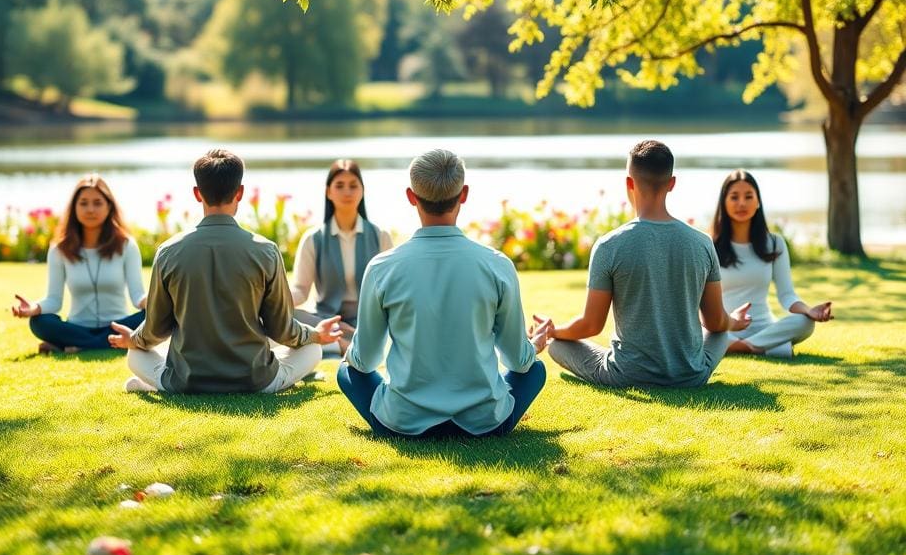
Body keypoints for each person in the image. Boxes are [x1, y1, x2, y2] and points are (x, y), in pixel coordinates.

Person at [338, 149, 548, 438]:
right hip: (484, 422)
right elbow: (518, 362)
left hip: (405, 422)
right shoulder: (497, 265)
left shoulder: (382, 268)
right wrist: (533, 346)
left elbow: (366, 361)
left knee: (346, 372)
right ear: (463, 194)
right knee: (535, 371)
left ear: (411, 197)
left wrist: (350, 348)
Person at [107, 149, 343, 393]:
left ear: (198, 194)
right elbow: (282, 330)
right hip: (254, 381)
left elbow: (155, 330)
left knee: (135, 355)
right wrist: (314, 335)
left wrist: (132, 340)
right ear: (240, 192)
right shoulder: (267, 251)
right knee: (313, 349)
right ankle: (156, 384)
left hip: (188, 382)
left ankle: (156, 385)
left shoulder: (168, 251)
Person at [539, 140, 752, 388]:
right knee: (720, 333)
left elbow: (591, 325)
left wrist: (554, 332)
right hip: (691, 374)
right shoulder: (702, 243)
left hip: (627, 375)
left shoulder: (609, 245)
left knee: (558, 346)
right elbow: (715, 323)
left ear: (629, 183)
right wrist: (733, 322)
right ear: (672, 184)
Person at [11, 174, 146, 354]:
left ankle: (75, 346)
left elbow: (137, 296)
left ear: (109, 207)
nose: (90, 209)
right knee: (39, 322)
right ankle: (112, 343)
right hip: (77, 328)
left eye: (97, 203)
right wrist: (34, 309)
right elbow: (54, 300)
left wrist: (154, 302)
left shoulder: (126, 245)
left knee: (152, 316)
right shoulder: (59, 249)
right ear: (74, 208)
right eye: (83, 203)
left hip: (118, 326)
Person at [712, 169, 832, 358]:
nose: (741, 203)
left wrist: (809, 311)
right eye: (734, 197)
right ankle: (766, 348)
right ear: (724, 202)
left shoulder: (775, 243)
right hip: (725, 327)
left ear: (758, 201)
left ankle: (740, 347)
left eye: (748, 196)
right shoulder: (709, 245)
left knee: (805, 322)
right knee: (696, 329)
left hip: (764, 328)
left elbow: (787, 296)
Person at [290, 160, 392, 354]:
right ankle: (342, 340)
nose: (347, 192)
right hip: (325, 319)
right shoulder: (314, 239)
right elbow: (301, 290)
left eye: (353, 186)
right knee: (289, 318)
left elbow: (390, 289)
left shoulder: (380, 236)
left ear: (362, 191)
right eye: (339, 185)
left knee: (376, 328)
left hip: (367, 319)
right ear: (328, 192)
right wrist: (275, 301)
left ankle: (339, 341)